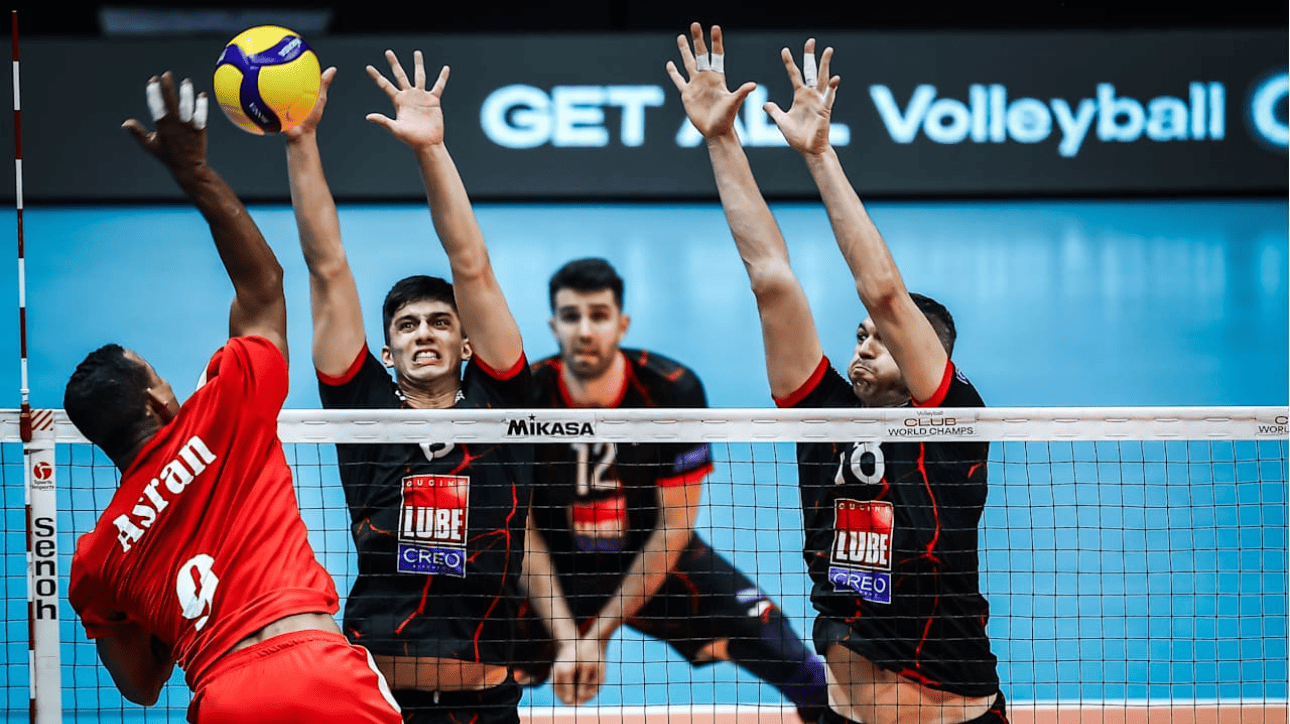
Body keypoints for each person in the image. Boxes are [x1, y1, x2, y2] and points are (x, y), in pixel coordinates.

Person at [667, 24, 1005, 724]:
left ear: (928, 364)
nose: (863, 343)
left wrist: (820, 155)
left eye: (882, 341)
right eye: (858, 338)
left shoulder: (951, 424)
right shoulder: (822, 417)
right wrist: (720, 141)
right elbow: (770, 279)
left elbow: (883, 293)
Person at [63, 73, 401, 724]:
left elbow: (139, 683)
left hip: (227, 695)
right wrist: (194, 173)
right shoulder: (227, 408)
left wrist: (156, 589)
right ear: (160, 399)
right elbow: (264, 286)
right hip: (319, 666)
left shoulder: (97, 560)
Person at [284, 51, 532, 724]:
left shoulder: (500, 405)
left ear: (468, 344)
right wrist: (301, 142)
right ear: (387, 351)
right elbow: (326, 266)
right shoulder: (361, 409)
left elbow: (471, 265)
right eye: (407, 325)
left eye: (441, 322)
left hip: (486, 705)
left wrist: (432, 150)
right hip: (377, 705)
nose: (425, 332)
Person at [515, 257, 827, 721]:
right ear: (552, 325)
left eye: (598, 315)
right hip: (552, 567)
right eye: (571, 315)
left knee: (788, 656)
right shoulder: (525, 398)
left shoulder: (670, 391)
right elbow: (524, 535)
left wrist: (596, 637)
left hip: (652, 553)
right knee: (465, 660)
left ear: (622, 324)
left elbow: (674, 528)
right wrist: (568, 638)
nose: (584, 330)